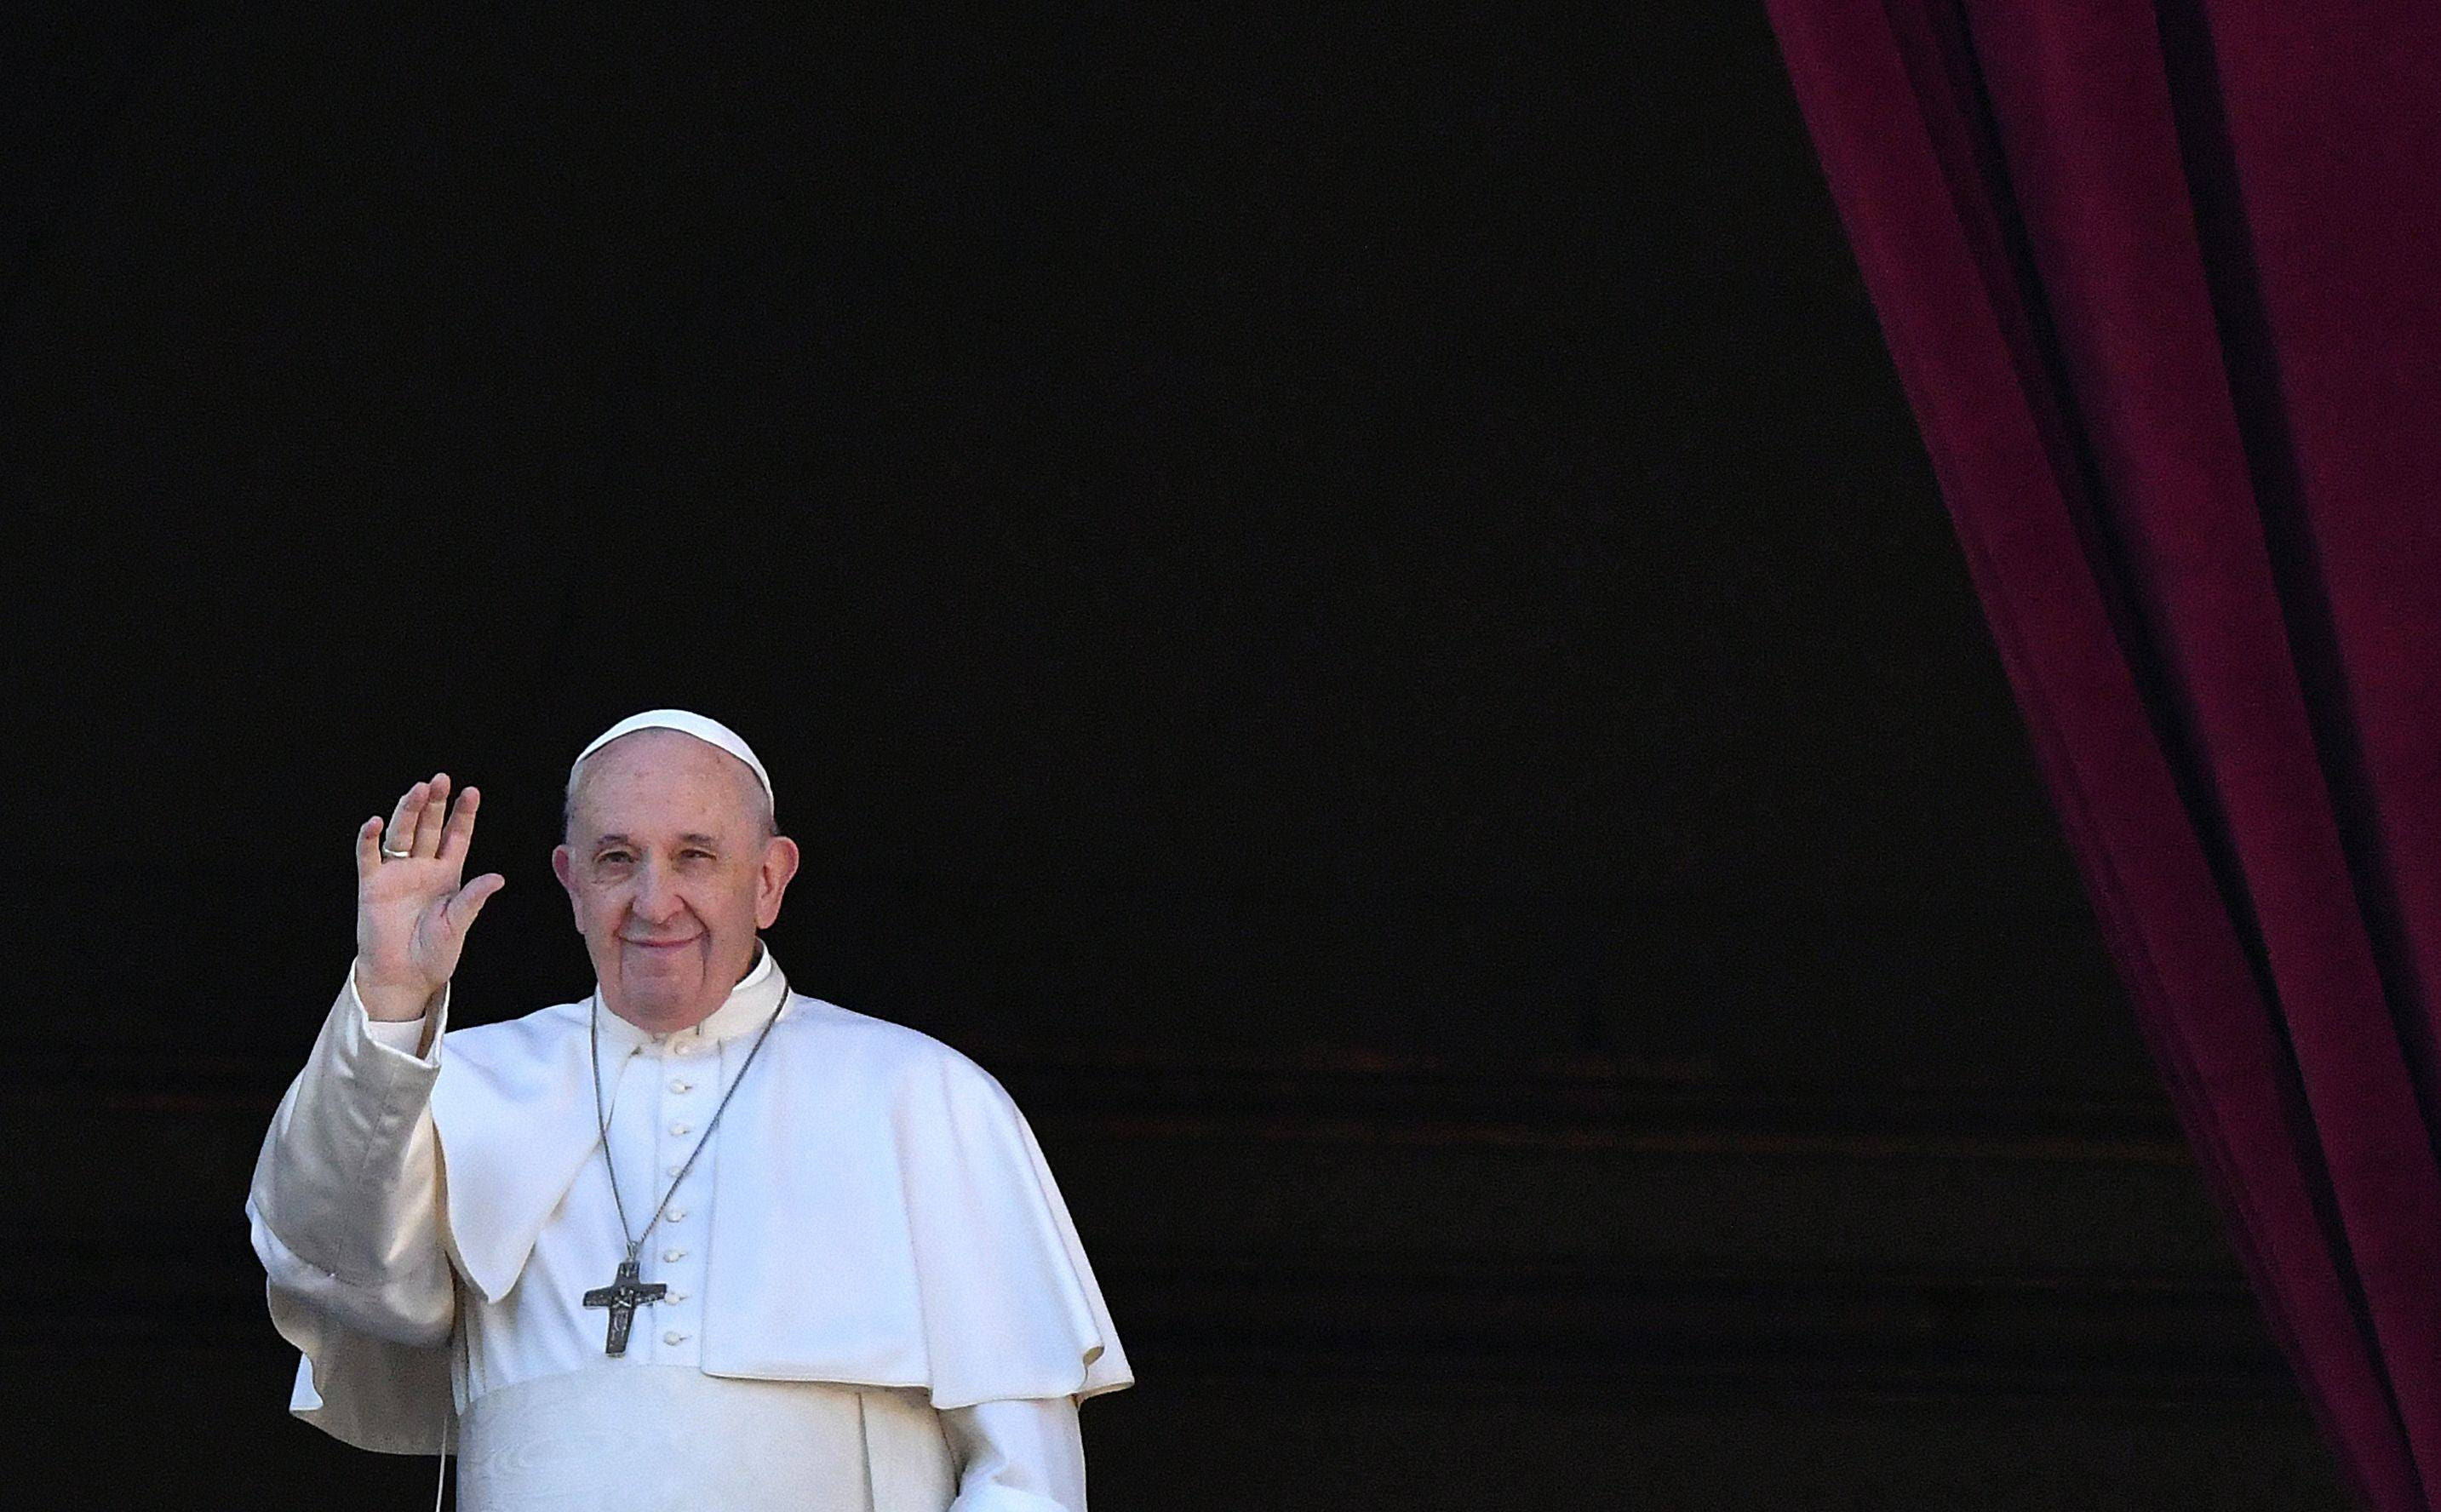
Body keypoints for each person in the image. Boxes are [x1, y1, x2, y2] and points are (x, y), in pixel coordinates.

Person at [245, 709, 1131, 1512]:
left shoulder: (923, 1098)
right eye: (617, 858)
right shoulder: (459, 1085)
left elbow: (1025, 1478)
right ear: (571, 883)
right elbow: (332, 1266)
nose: (653, 902)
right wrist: (392, 998)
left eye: (695, 857)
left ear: (769, 881)